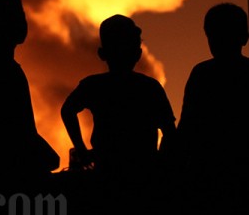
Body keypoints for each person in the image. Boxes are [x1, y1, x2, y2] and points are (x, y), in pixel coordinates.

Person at [60, 14, 176, 213]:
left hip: (106, 175)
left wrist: (81, 149)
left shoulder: (94, 85)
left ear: (102, 53)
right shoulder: (150, 88)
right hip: (143, 179)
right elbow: (170, 132)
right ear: (138, 53)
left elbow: (67, 110)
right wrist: (159, 164)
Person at [0, 0, 59, 214]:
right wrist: (45, 156)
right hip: (3, 181)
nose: (22, 23)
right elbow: (14, 130)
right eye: (13, 17)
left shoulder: (1, 66)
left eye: (21, 16)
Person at [175, 3, 249, 215]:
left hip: (207, 173)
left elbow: (188, 125)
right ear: (245, 38)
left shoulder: (202, 74)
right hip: (248, 171)